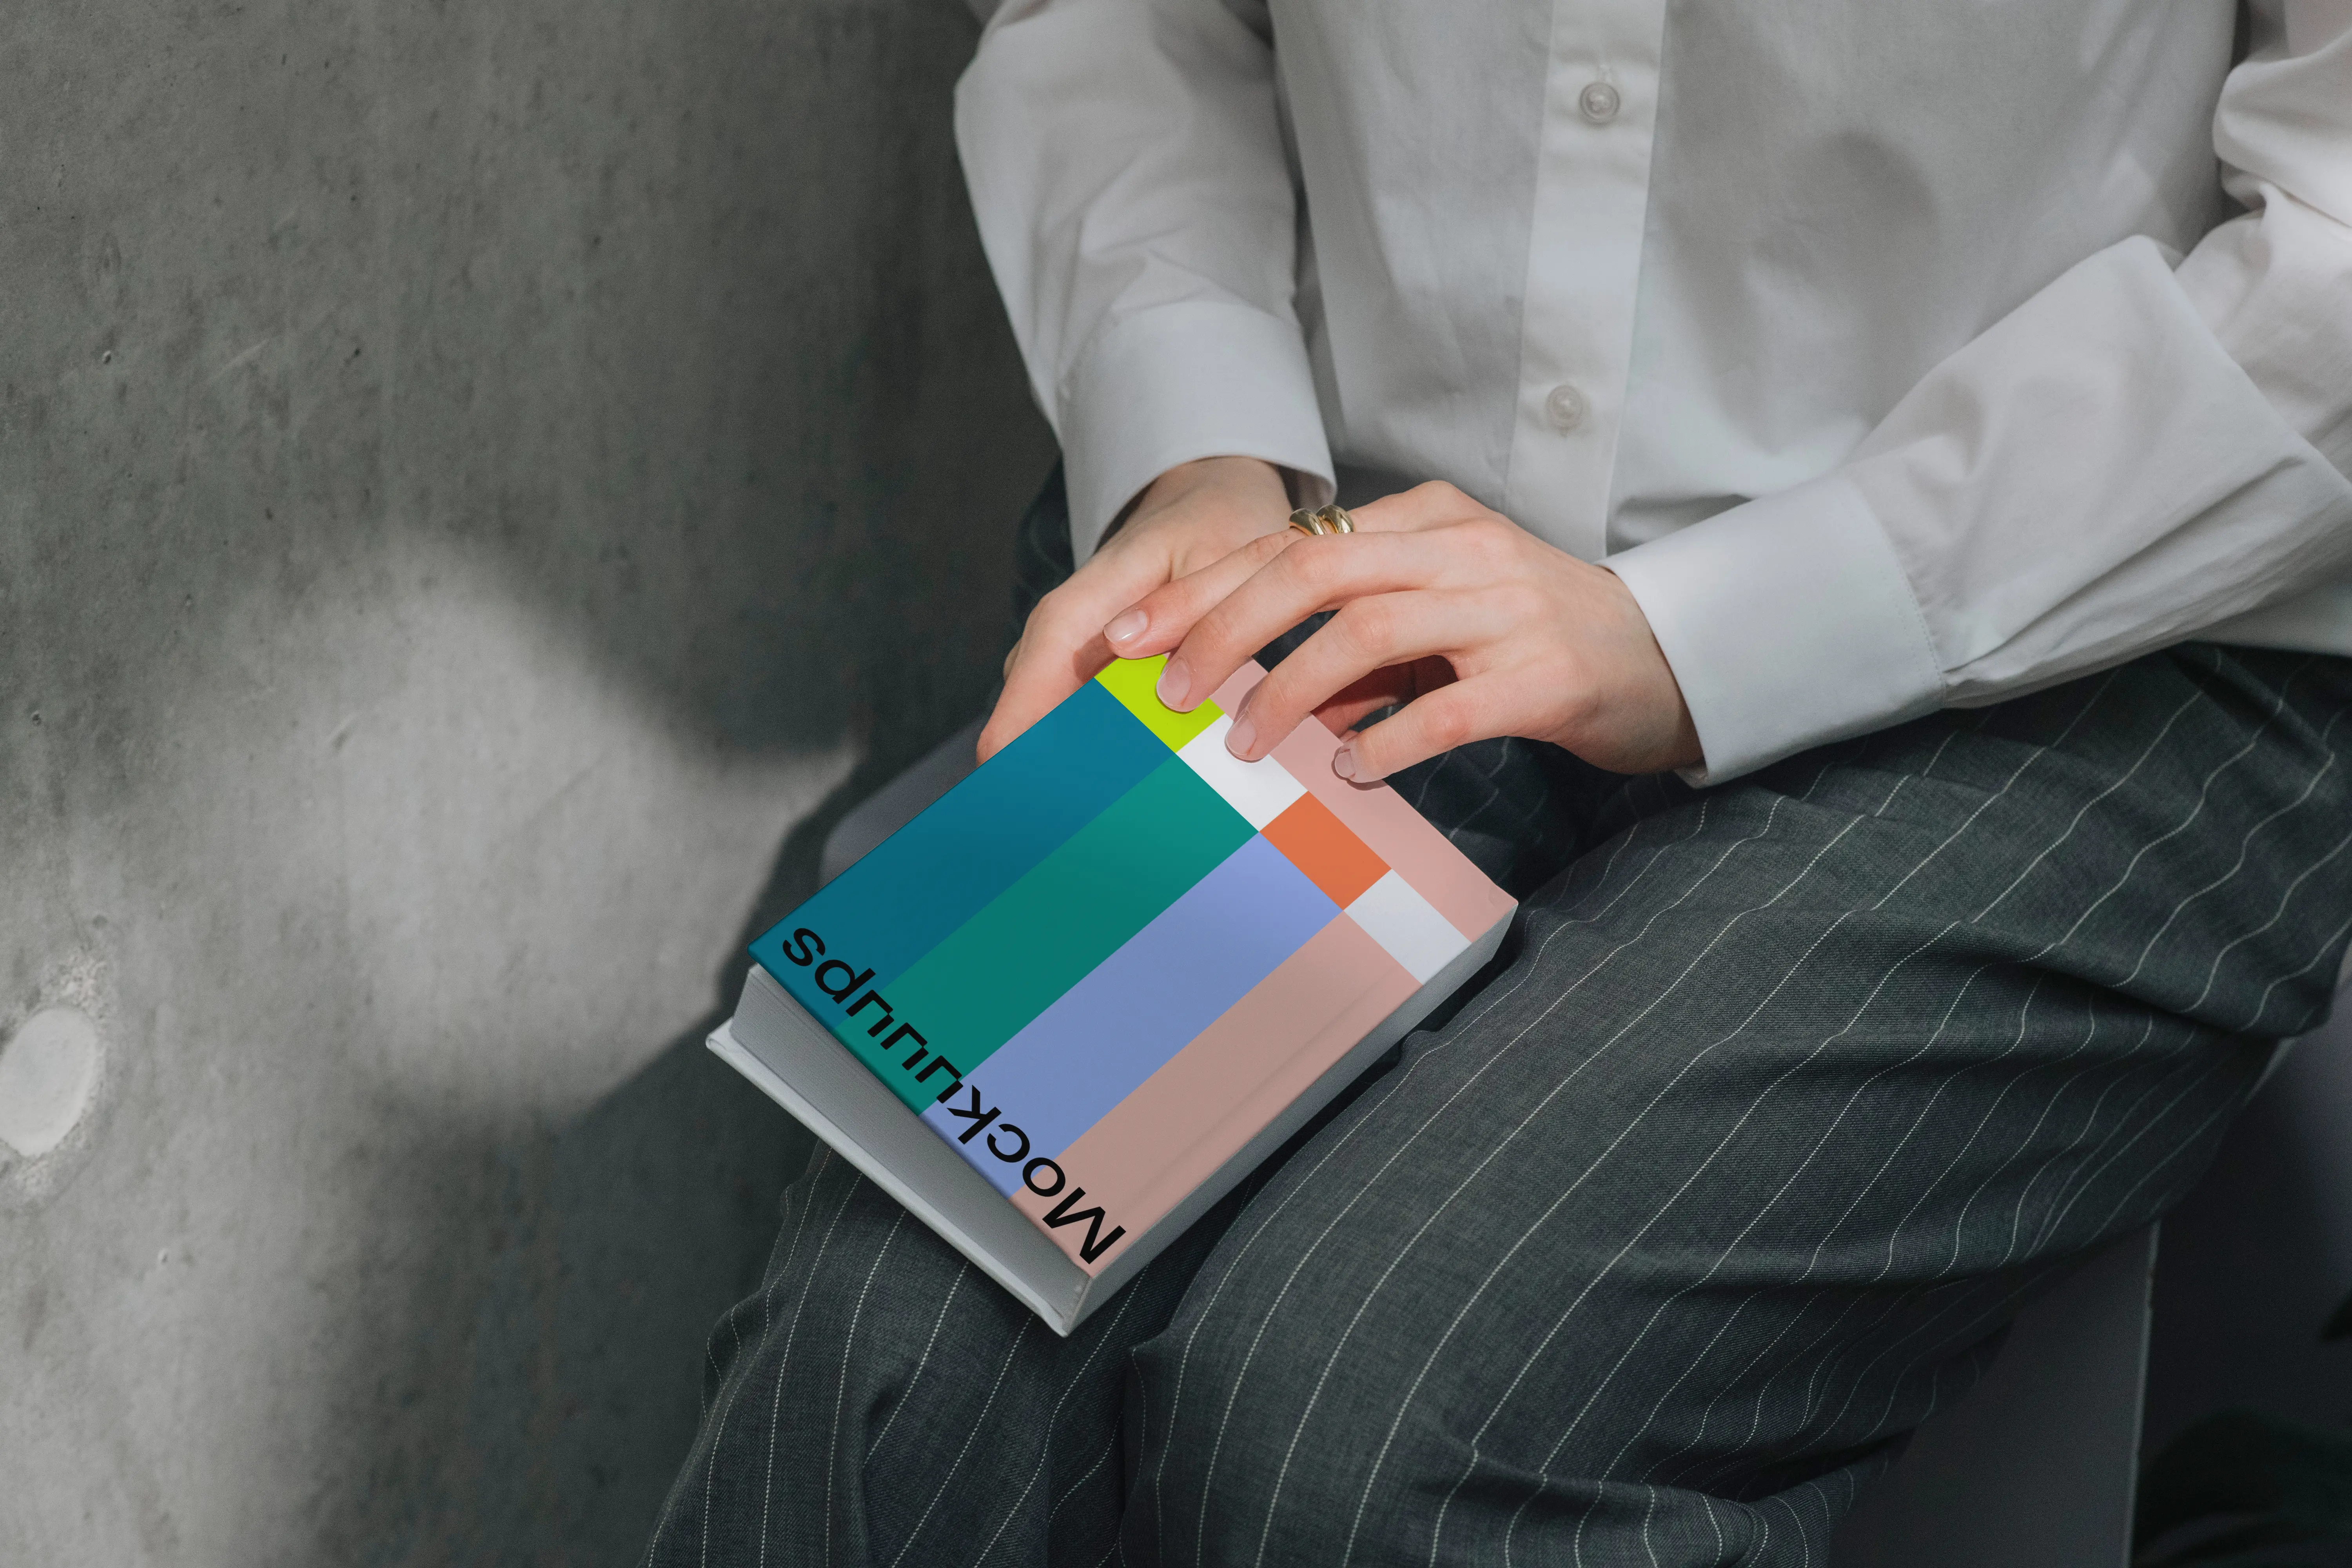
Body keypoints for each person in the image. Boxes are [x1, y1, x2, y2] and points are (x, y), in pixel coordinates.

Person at [648, 2, 2352, 1562]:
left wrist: (1700, 633)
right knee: (868, 1387)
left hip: (2099, 624)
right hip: (1351, 571)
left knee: (1378, 1428)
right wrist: (1196, 447)